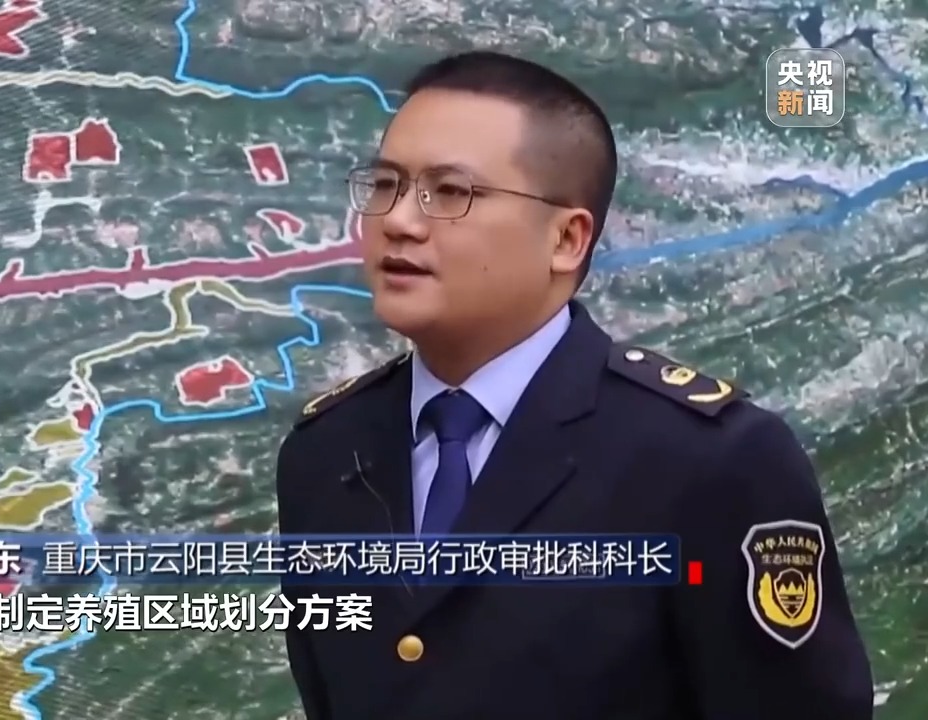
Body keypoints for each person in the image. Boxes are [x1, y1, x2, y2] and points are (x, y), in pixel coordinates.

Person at [274, 50, 873, 720]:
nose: (400, 221)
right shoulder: (325, 455)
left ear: (566, 238)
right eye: (386, 184)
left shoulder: (707, 461)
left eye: (450, 193)